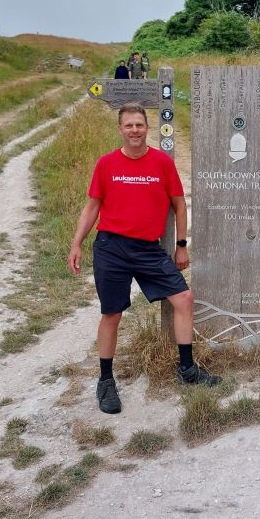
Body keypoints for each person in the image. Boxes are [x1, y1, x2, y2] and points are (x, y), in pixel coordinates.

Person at [68, 101, 220, 413]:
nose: (134, 130)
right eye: (129, 125)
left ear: (147, 128)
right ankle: (106, 381)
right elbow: (92, 206)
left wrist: (181, 244)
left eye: (139, 125)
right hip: (112, 247)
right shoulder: (106, 164)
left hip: (149, 249)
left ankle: (187, 370)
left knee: (184, 298)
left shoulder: (162, 163)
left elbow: (179, 204)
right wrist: (76, 243)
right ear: (120, 129)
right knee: (112, 314)